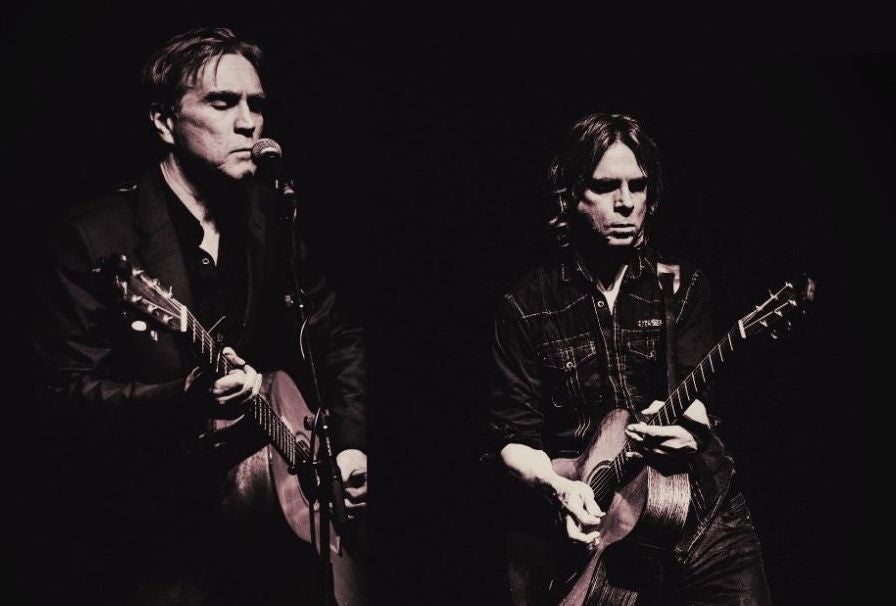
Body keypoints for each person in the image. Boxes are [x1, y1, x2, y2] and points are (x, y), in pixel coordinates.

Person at [32, 27, 367, 605]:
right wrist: (184, 396)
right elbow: (62, 395)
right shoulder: (95, 237)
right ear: (164, 122)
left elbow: (338, 335)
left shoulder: (269, 219)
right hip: (156, 539)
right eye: (222, 102)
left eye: (256, 104)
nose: (248, 123)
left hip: (271, 535)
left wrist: (349, 445)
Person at [487, 113, 772, 605]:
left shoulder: (681, 287)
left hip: (702, 515)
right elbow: (513, 438)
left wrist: (691, 431)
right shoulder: (526, 306)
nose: (626, 203)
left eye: (637, 186)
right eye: (605, 186)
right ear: (569, 197)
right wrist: (559, 488)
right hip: (600, 527)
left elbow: (697, 399)